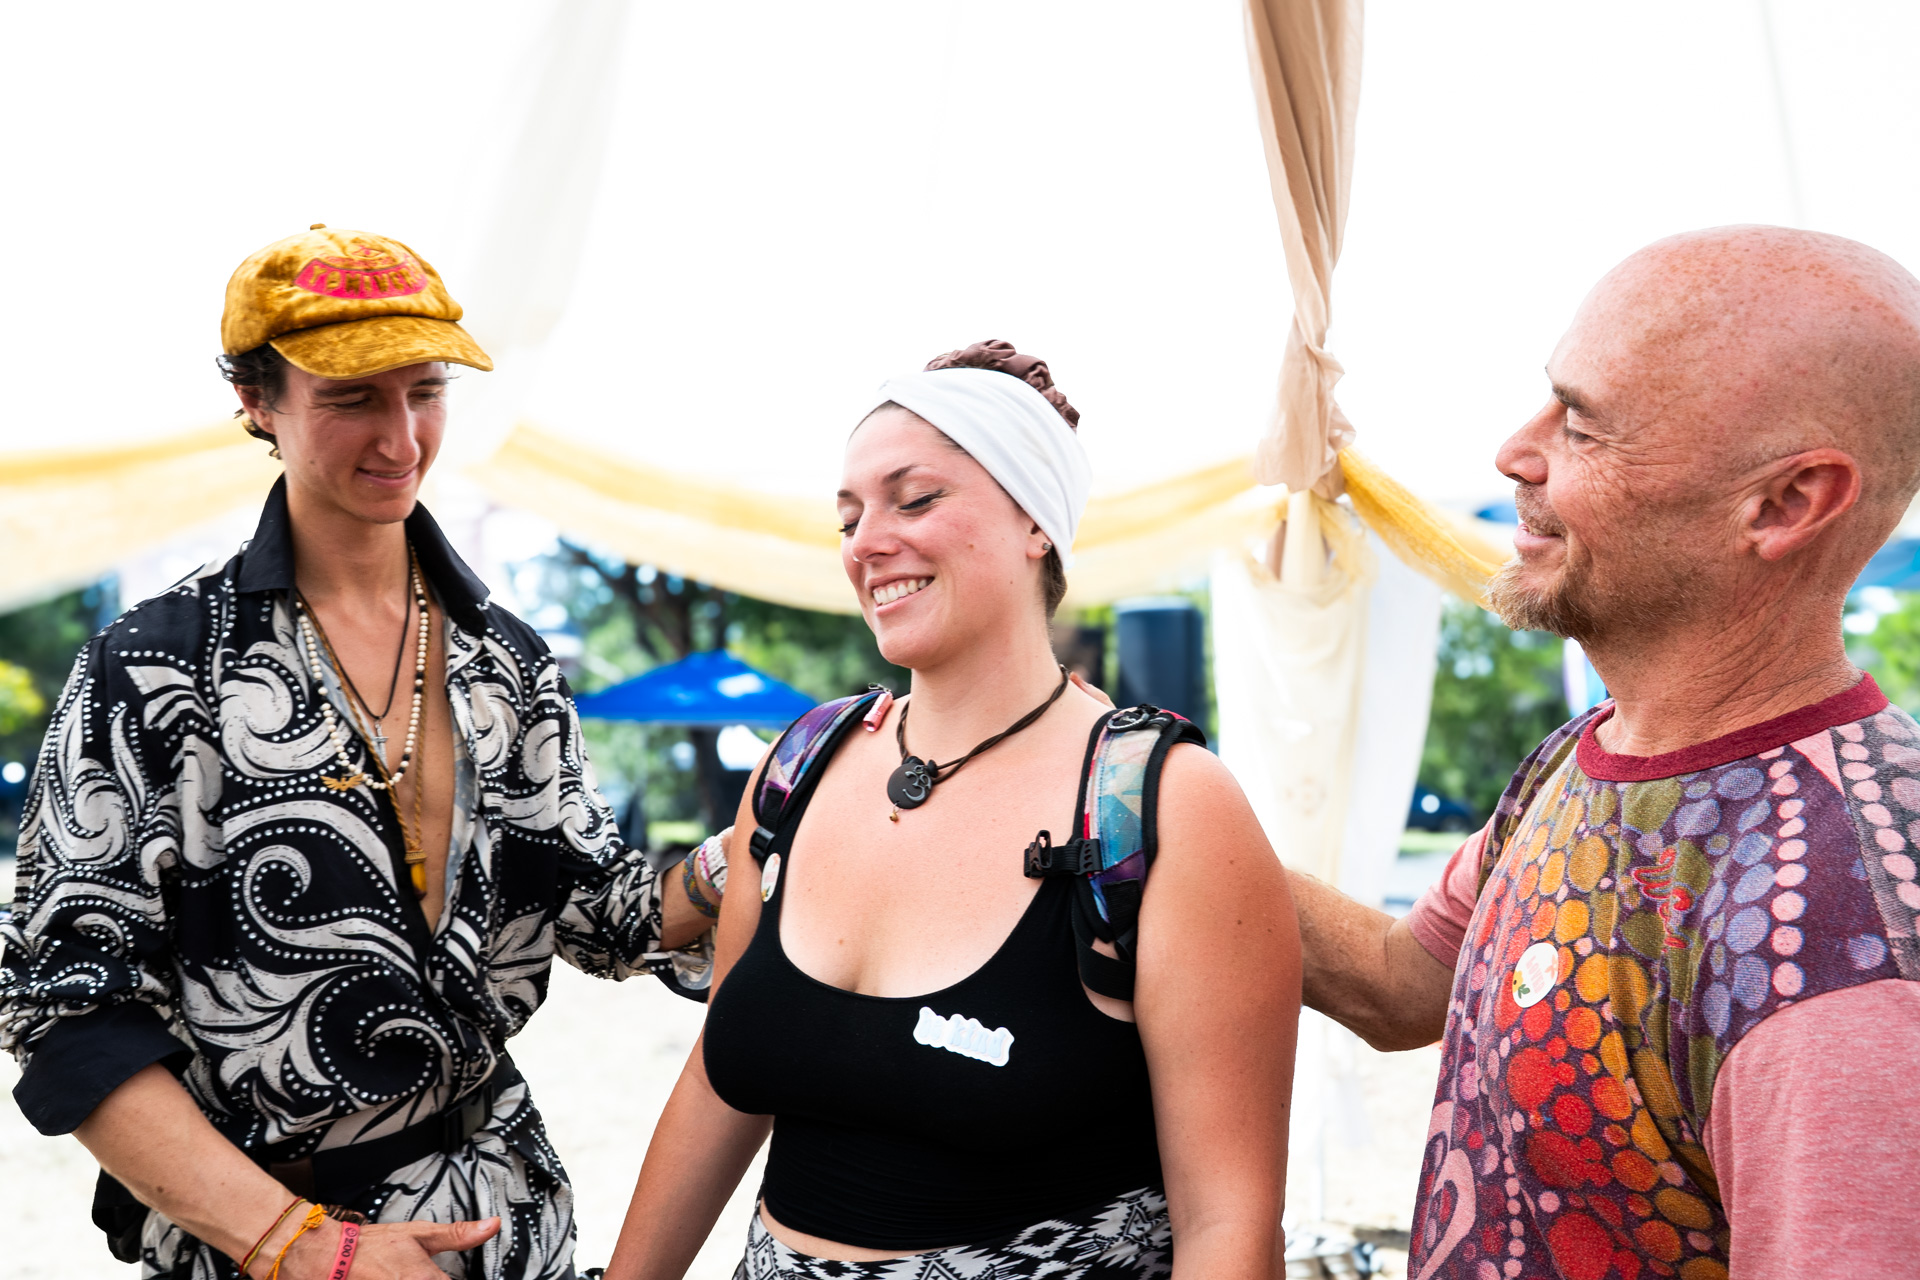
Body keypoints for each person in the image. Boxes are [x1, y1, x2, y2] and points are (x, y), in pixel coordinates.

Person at [0, 226, 725, 1280]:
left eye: (425, 390)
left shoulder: (504, 660)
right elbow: (66, 1005)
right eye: (352, 398)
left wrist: (749, 845)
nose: (401, 436)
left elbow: (604, 915)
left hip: (507, 1222)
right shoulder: (156, 667)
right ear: (258, 399)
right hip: (258, 1242)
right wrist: (305, 1246)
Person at [1292, 226, 1920, 1279]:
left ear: (1785, 504)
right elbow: (1402, 985)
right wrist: (1134, 795)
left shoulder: (1845, 933)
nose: (1513, 451)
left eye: (1581, 425)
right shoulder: (1586, 753)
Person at [601, 341, 1300, 1280]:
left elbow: (1229, 1227)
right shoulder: (798, 766)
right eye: (849, 517)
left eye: (915, 499)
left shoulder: (1160, 803)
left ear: (1035, 522)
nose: (865, 543)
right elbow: (717, 1083)